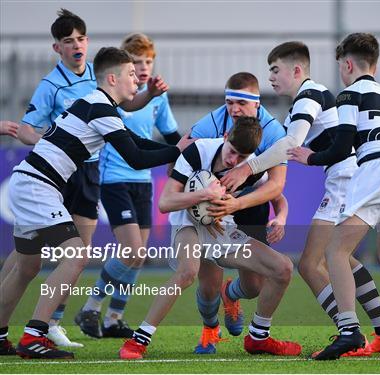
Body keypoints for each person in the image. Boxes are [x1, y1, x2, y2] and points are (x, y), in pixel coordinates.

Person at [0, 8, 169, 349]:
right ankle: (35, 334)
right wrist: (180, 153)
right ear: (112, 79)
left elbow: (135, 142)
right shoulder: (99, 106)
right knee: (76, 255)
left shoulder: (96, 102)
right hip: (39, 187)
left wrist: (179, 148)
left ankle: (2, 334)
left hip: (32, 182)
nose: (136, 80)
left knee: (26, 266)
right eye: (130, 75)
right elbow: (135, 156)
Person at [240, 41, 380, 357]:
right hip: (353, 177)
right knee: (345, 259)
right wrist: (244, 177)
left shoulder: (309, 96)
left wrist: (246, 169)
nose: (270, 77)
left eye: (275, 70)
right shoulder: (310, 97)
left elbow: (290, 144)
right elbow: (283, 152)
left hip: (345, 179)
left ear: (296, 70)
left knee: (312, 264)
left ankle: (349, 332)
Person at [118, 116, 301, 359]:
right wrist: (204, 194)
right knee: (189, 272)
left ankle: (258, 338)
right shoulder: (198, 152)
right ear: (225, 137)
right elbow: (165, 202)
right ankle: (138, 341)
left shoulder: (251, 167)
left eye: (241, 158)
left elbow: (277, 196)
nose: (233, 160)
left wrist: (281, 217)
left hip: (223, 228)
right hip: (188, 225)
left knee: (283, 268)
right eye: (232, 151)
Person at [306, 33, 380, 360]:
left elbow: (343, 146)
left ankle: (349, 332)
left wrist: (310, 158)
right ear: (375, 63)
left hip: (378, 168)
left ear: (347, 64)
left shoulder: (349, 94)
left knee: (335, 249)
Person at [75, 33, 182, 340]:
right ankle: (91, 306)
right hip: (115, 180)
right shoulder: (118, 96)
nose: (144, 67)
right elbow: (132, 138)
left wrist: (195, 150)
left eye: (148, 61)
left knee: (138, 255)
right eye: (136, 63)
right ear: (123, 69)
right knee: (130, 250)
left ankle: (113, 318)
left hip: (143, 181)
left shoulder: (158, 97)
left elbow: (171, 134)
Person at [188, 72, 288, 354]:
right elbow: (180, 157)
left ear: (256, 104)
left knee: (254, 286)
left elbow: (277, 187)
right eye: (229, 102)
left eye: (241, 104)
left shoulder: (273, 132)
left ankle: (230, 295)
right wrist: (202, 203)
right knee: (208, 284)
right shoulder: (212, 121)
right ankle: (209, 330)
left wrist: (240, 205)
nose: (233, 110)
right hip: (211, 208)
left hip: (248, 205)